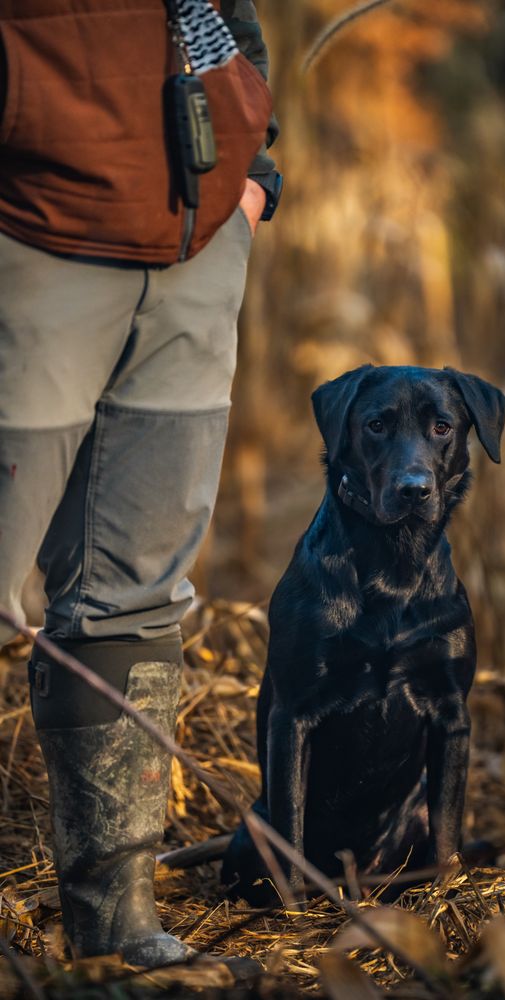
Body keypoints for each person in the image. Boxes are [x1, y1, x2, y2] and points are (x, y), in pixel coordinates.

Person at [0, 0, 280, 967]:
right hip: (28, 237)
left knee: (135, 600)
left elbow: (225, 16)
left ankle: (117, 941)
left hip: (196, 241)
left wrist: (253, 175)